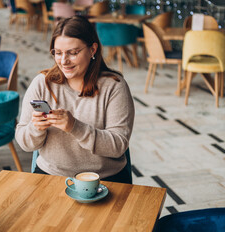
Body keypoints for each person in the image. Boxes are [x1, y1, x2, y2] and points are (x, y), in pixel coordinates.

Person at [15, 16, 135, 184]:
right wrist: (36, 128)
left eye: (73, 53)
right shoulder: (42, 84)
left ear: (92, 50)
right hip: (52, 175)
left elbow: (118, 145)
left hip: (105, 180)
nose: (64, 61)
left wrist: (74, 127)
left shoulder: (114, 87)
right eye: (58, 53)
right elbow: (25, 143)